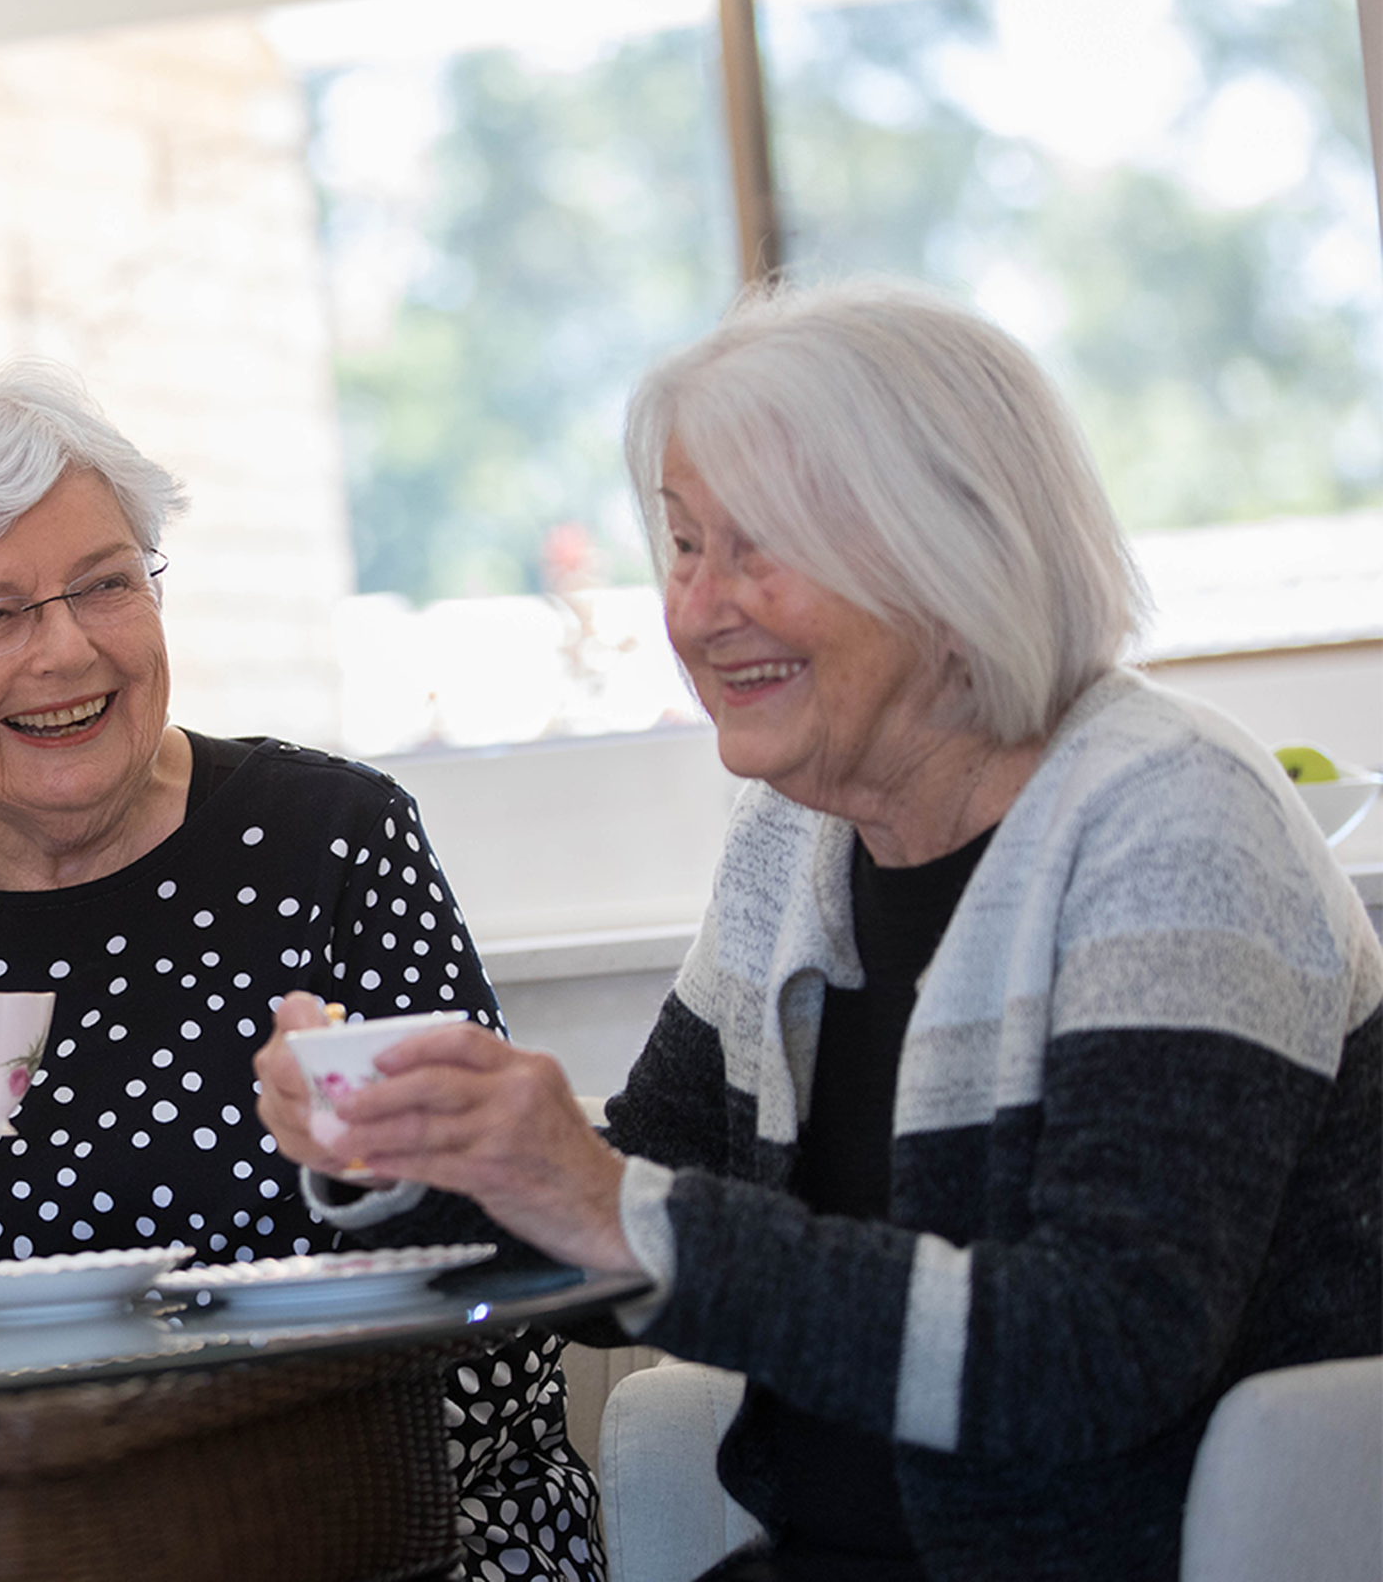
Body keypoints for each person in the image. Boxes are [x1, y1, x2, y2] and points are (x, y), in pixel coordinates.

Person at [254, 280, 1383, 1582]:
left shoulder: (1173, 821)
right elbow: (634, 1189)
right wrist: (410, 1147)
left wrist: (606, 1198)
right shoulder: (795, 839)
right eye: (684, 545)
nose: (700, 605)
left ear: (956, 550)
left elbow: (1096, 1357)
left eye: (762, 546)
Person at [0, 361, 599, 1582]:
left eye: (103, 585)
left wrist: (379, 1173)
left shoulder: (333, 846)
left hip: (387, 1533)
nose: (65, 650)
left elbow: (511, 1286)